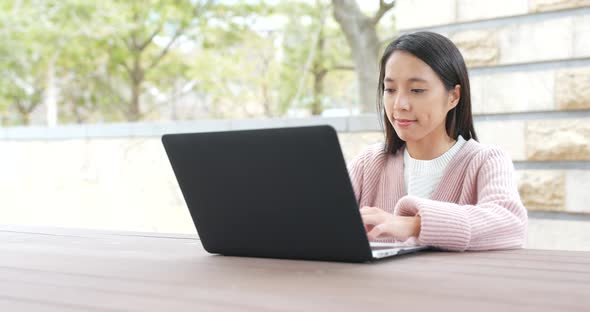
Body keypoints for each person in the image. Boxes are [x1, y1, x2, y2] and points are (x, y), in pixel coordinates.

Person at [348, 31, 527, 251]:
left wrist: (414, 225)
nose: (399, 105)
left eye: (417, 90)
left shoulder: (485, 161)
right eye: (390, 89)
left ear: (453, 96)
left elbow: (511, 224)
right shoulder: (369, 163)